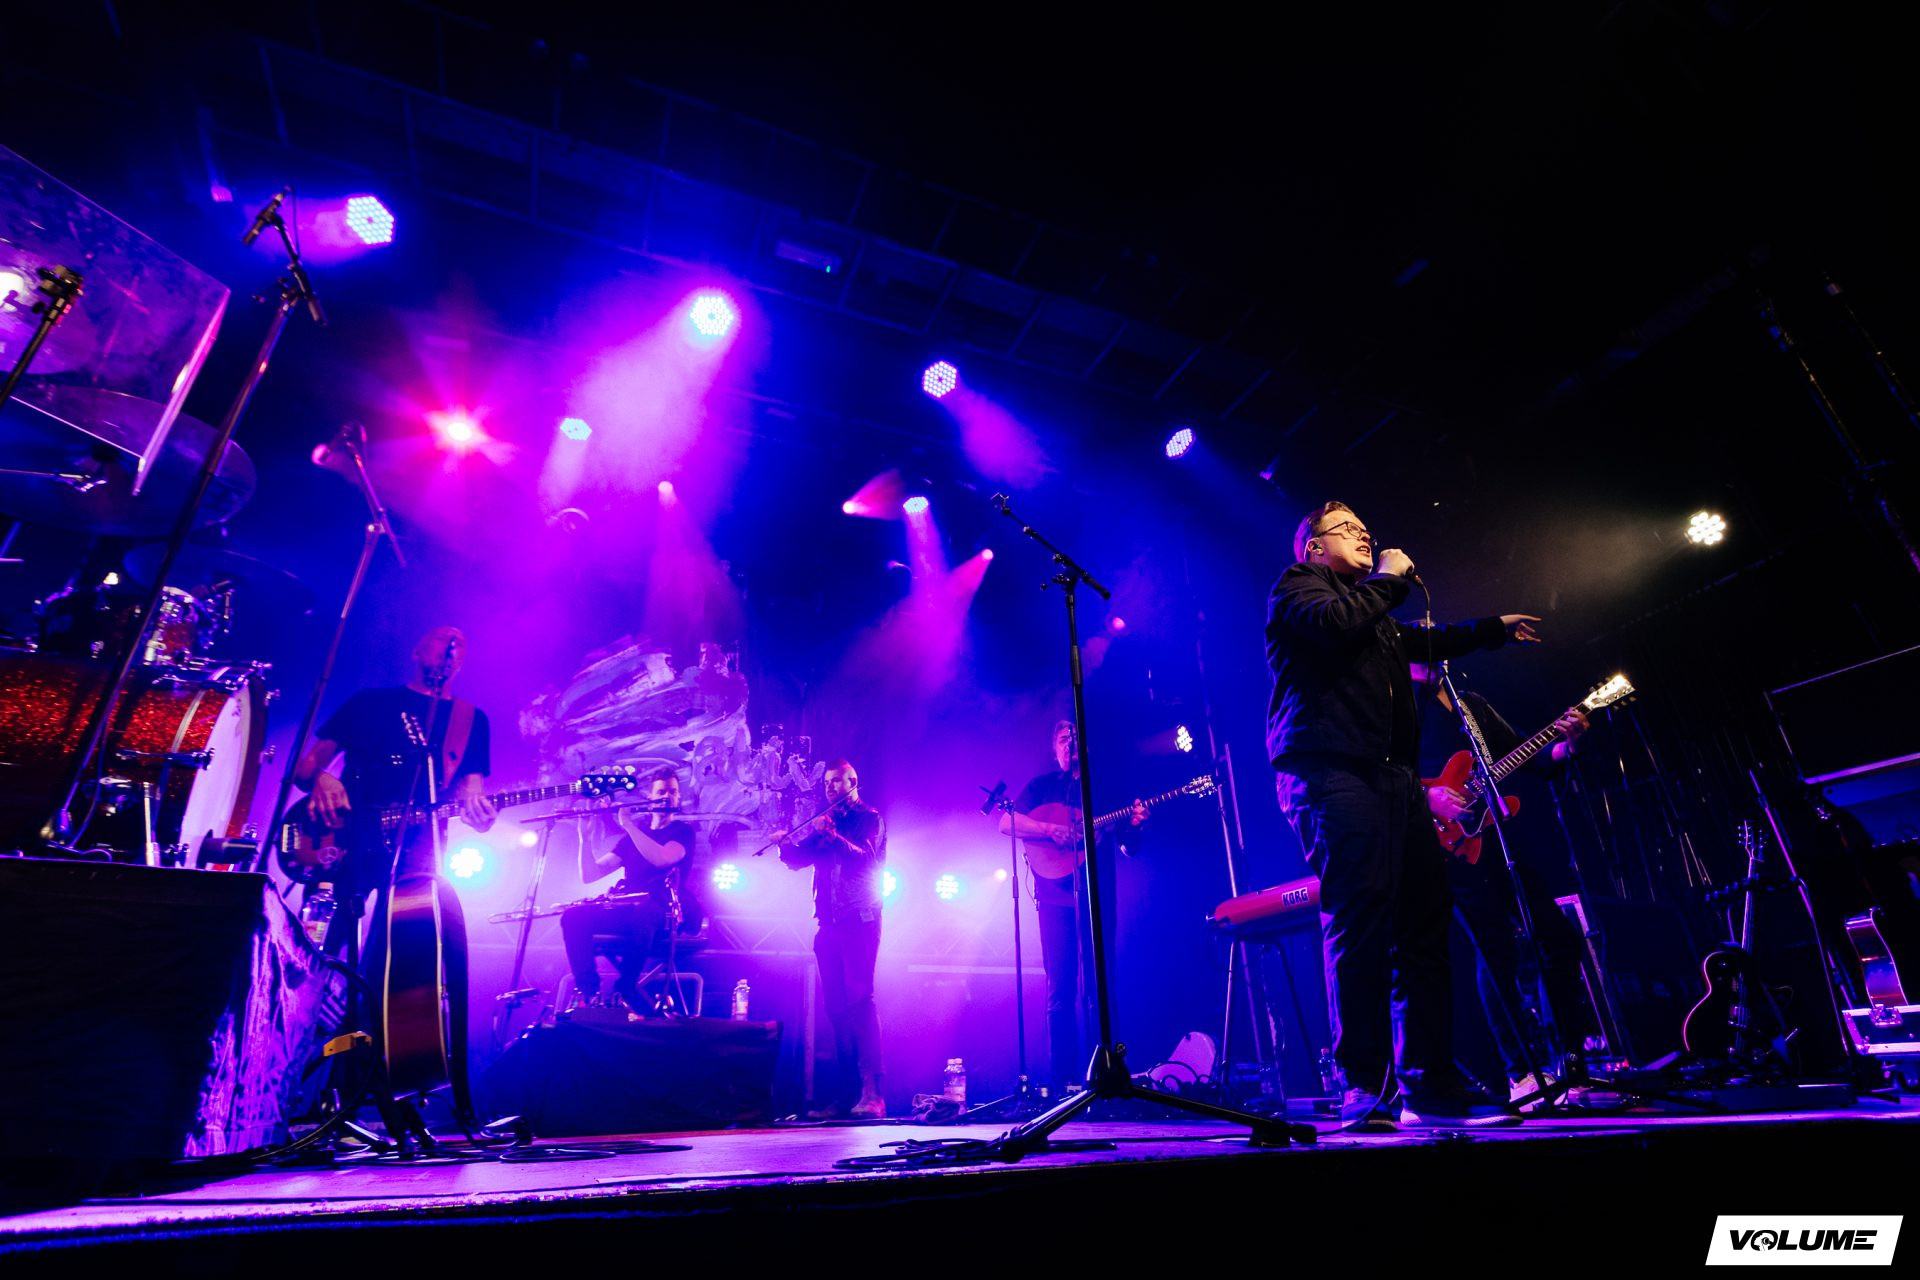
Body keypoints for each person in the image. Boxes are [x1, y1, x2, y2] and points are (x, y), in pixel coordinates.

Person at [1265, 500, 1542, 1128]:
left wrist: (1493, 628)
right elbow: (1336, 623)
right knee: (1360, 921)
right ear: (1313, 546)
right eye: (1348, 530)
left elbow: (1426, 640)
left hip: (1394, 779)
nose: (1365, 536)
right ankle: (1365, 1085)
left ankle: (1430, 1086)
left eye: (1368, 530)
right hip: (1330, 771)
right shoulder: (1299, 587)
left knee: (1424, 926)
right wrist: (1390, 577)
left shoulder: (1377, 616)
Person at [290, 624, 497, 1114]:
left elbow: (472, 793)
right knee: (319, 952)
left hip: (418, 853)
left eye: (461, 644)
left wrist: (480, 811)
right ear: (417, 650)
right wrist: (322, 779)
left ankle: (375, 1094)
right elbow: (305, 768)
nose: (451, 647)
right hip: (344, 841)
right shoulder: (369, 703)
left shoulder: (471, 720)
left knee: (400, 973)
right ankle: (289, 1075)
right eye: (442, 639)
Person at [1412, 661, 1587, 1108]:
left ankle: (1571, 1066)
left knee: (1560, 938)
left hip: (1497, 836)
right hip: (1449, 847)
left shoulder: (1470, 705)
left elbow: (1531, 758)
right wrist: (1427, 796)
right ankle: (1521, 1074)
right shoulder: (1397, 705)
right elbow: (1381, 773)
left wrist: (1568, 744)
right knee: (1495, 952)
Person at [1001, 721, 1147, 1095]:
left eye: (1075, 738)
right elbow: (1006, 821)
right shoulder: (1041, 787)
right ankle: (1062, 1081)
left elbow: (1130, 847)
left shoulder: (1103, 789)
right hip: (1053, 898)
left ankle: (1111, 1073)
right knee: (1060, 989)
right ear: (1055, 750)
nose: (1070, 744)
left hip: (1097, 897)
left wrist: (1135, 825)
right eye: (1063, 739)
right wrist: (1049, 830)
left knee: (1103, 987)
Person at [778, 759, 888, 1119]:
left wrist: (833, 836)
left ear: (853, 782)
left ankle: (873, 1093)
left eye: (838, 781)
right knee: (836, 1009)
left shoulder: (869, 818)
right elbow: (799, 858)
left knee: (860, 1001)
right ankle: (846, 1095)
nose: (830, 787)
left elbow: (866, 859)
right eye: (827, 782)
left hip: (859, 917)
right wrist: (783, 844)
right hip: (828, 923)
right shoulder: (827, 821)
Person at [560, 769, 696, 1015]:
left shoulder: (682, 832)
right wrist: (585, 839)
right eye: (661, 791)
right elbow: (591, 874)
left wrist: (629, 825)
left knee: (645, 912)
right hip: (627, 910)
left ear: (678, 797)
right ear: (650, 797)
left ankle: (626, 988)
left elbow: (663, 858)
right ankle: (589, 992)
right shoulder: (632, 837)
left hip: (661, 913)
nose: (667, 796)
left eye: (673, 792)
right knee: (573, 916)